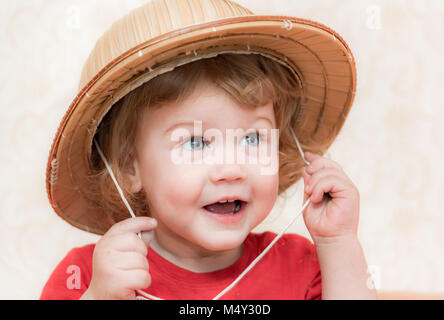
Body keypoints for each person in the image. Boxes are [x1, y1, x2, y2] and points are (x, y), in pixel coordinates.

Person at [41, 0, 376, 300]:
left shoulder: (301, 265)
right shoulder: (88, 277)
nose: (232, 169)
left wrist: (338, 242)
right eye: (197, 143)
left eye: (253, 139)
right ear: (130, 167)